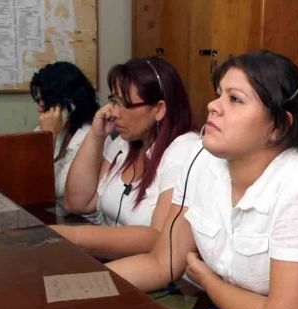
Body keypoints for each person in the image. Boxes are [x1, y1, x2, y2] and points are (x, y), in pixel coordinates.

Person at [108, 51, 298, 309]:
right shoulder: (200, 160)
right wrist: (90, 286)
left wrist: (207, 279)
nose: (213, 106)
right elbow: (161, 263)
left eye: (234, 99)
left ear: (278, 125)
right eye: (218, 94)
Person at [52, 57, 197, 259]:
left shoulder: (184, 150)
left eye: (124, 104)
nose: (114, 112)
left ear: (159, 109)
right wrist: (96, 135)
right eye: (113, 101)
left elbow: (157, 237)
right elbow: (77, 203)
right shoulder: (123, 143)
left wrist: (75, 236)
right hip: (110, 259)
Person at [30, 61, 99, 205]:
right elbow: (27, 181)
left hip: (79, 220)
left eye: (45, 104)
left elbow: (58, 190)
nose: (39, 110)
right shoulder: (48, 129)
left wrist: (49, 137)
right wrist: (47, 136)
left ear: (71, 104)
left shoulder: (94, 136)